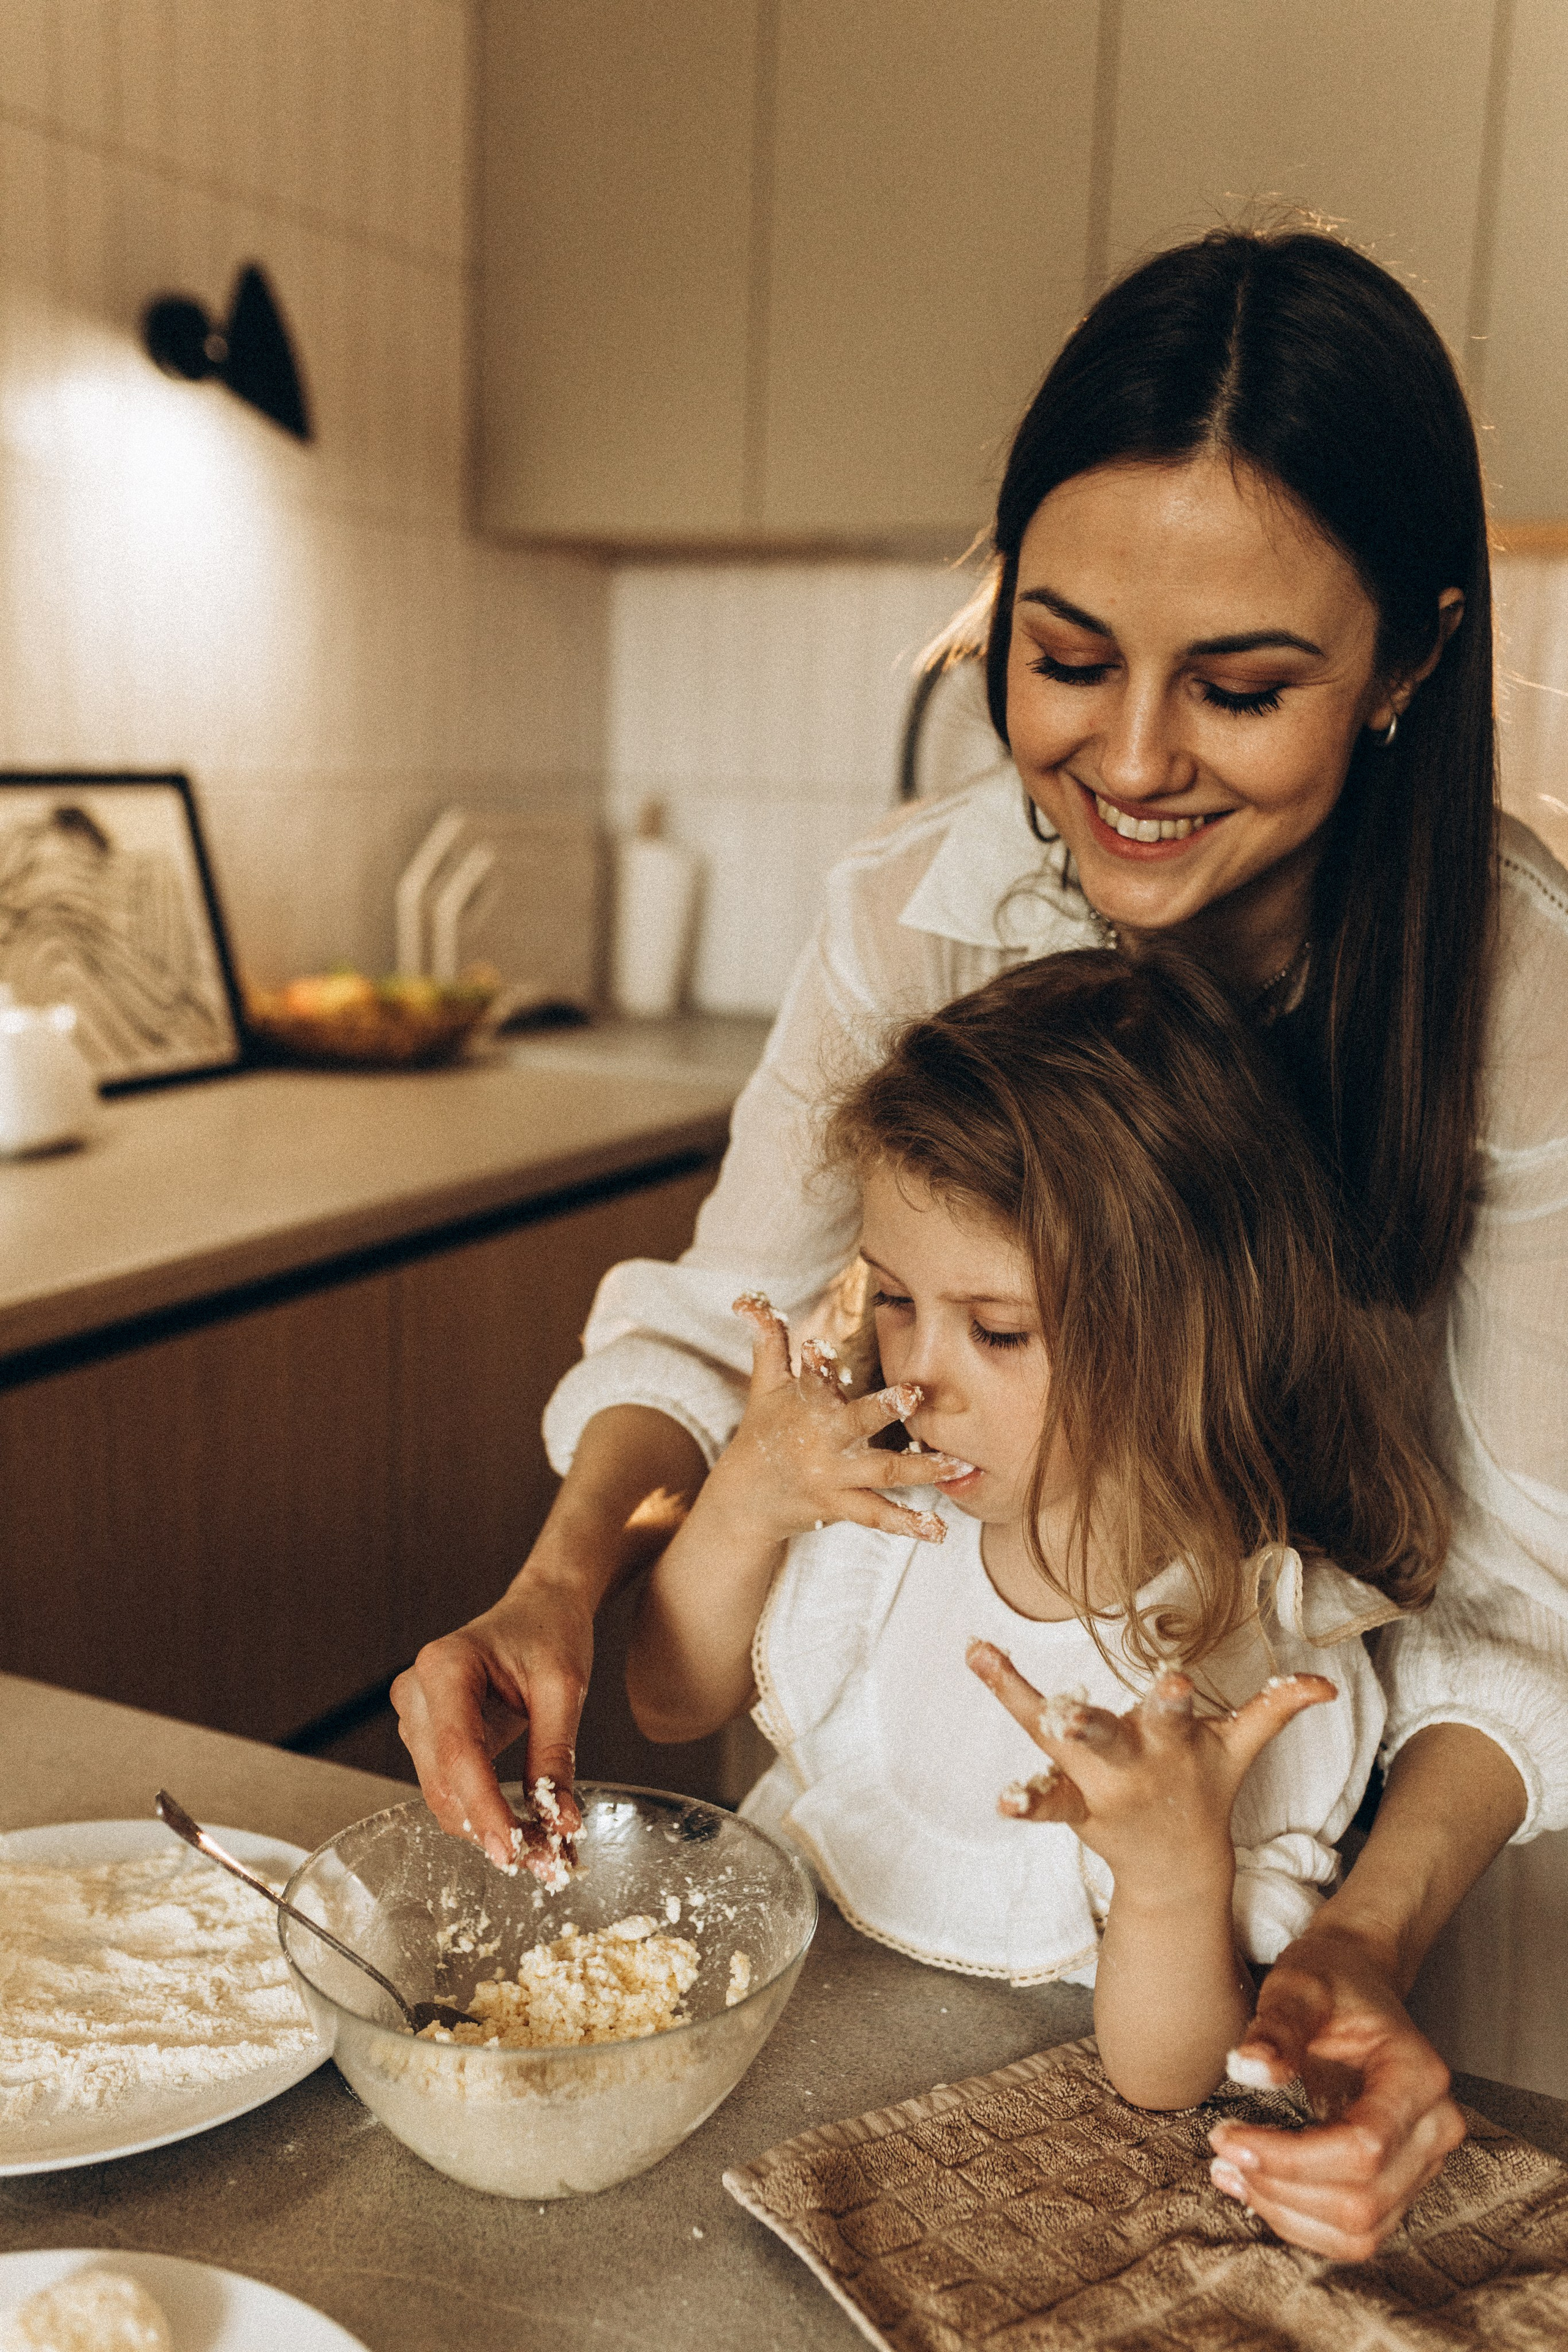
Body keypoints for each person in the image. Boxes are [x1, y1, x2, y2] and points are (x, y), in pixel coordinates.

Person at [393, 227, 1568, 2255]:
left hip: (1377, 1902)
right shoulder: (916, 913)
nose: (1123, 764)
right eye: (1068, 651)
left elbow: (1529, 1603)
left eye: (1244, 685)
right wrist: (560, 1578)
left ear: (1412, 660)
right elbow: (722, 1335)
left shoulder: (1516, 998)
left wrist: (1353, 1941)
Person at [625, 951, 1450, 2113]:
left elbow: (1165, 2080)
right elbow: (667, 1702)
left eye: (998, 1332)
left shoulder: (1248, 1654)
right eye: (897, 1300)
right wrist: (746, 1501)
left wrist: (1170, 1878)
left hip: (1032, 2162)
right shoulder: (886, 1519)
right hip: (787, 2081)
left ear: (1187, 1339)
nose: (917, 1375)